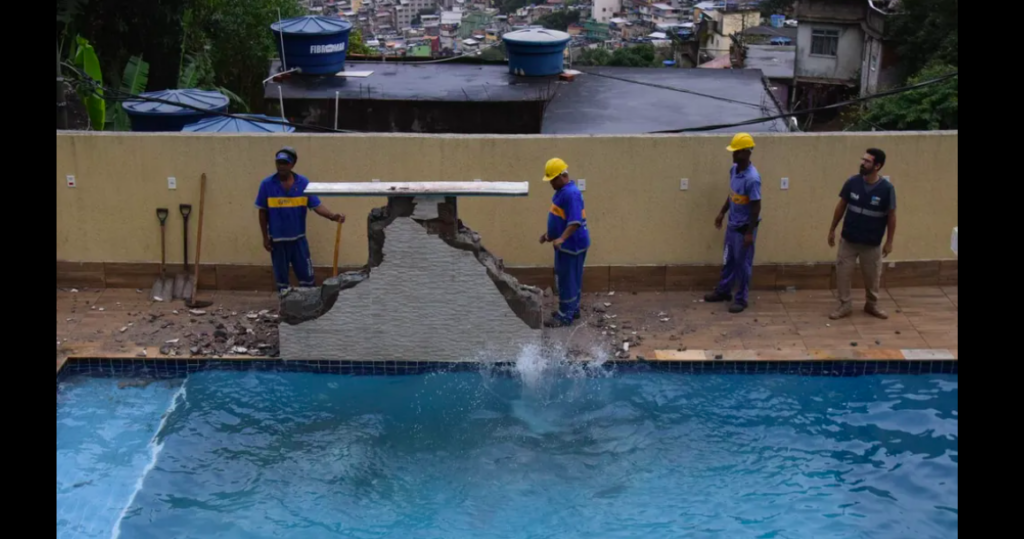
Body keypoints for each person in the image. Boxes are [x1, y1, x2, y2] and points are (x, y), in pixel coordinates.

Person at [255, 147, 345, 293]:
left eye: (285, 163)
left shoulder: (303, 183)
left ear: (293, 164)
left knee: (307, 278)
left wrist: (332, 216)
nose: (281, 167)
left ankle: (309, 307)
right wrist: (265, 237)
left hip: (298, 240)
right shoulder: (267, 184)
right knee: (282, 281)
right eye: (279, 163)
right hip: (277, 242)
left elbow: (316, 205)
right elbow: (262, 213)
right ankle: (285, 308)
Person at [828, 148, 897, 320]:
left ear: (877, 166)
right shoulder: (852, 182)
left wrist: (889, 241)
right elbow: (841, 206)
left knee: (872, 276)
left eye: (867, 161)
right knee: (843, 273)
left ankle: (871, 305)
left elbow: (892, 216)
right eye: (863, 160)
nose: (863, 163)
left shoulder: (887, 189)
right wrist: (832, 229)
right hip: (849, 240)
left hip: (871, 243)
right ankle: (845, 305)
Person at [705, 133, 762, 314]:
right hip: (732, 226)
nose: (733, 155)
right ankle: (723, 291)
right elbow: (732, 196)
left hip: (744, 229)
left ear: (746, 153)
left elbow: (756, 207)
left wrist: (749, 233)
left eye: (736, 152)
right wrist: (722, 213)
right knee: (728, 259)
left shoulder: (752, 179)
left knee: (742, 264)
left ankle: (741, 299)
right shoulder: (734, 170)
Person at [539, 158, 591, 327]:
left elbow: (575, 221)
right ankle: (572, 309)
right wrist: (548, 236)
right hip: (567, 245)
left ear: (562, 176)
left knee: (567, 280)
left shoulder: (571, 194)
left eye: (552, 179)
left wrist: (561, 238)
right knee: (570, 278)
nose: (551, 183)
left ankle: (565, 316)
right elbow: (559, 219)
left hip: (571, 246)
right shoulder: (563, 191)